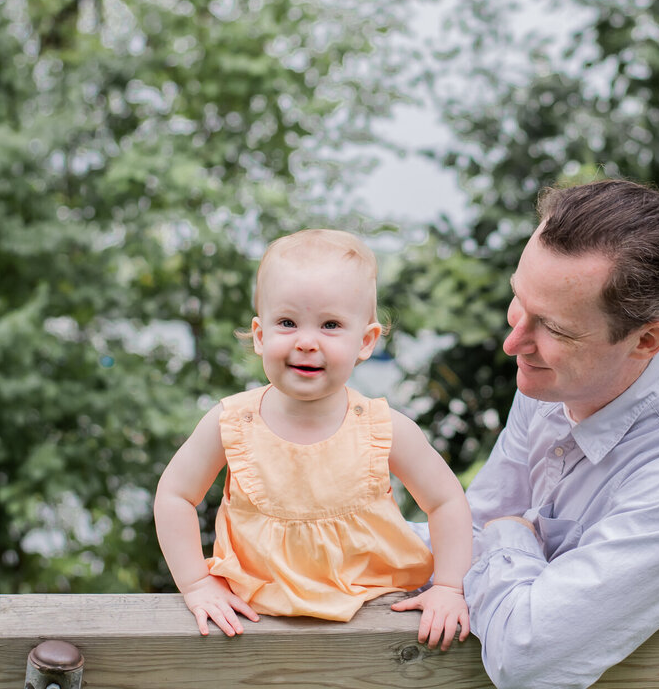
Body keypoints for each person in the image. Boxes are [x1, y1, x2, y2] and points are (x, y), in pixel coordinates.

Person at [463, 179, 659, 689]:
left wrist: (511, 533)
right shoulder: (553, 383)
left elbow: (528, 658)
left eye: (555, 329)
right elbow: (462, 540)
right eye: (518, 300)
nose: (512, 341)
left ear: (646, 340)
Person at [154, 229, 472, 651]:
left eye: (330, 325)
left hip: (376, 613)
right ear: (261, 335)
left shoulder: (383, 427)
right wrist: (196, 583)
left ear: (365, 342)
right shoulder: (231, 422)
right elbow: (174, 495)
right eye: (287, 323)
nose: (306, 341)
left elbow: (446, 501)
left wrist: (449, 587)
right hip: (255, 621)